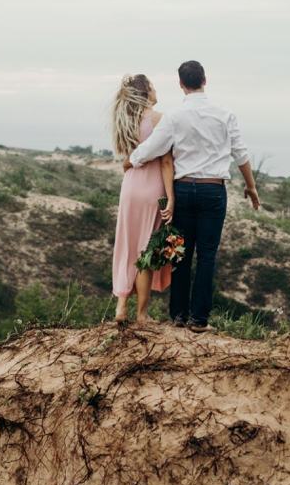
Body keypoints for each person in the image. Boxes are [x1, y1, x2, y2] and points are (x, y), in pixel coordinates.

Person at [126, 60, 260, 332]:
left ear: (180, 84)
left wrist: (131, 160)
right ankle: (199, 321)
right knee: (207, 256)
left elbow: (152, 147)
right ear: (205, 80)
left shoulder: (174, 116)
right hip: (213, 190)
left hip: (184, 189)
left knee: (180, 255)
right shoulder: (225, 114)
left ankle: (178, 317)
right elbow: (241, 154)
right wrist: (251, 186)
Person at [109, 74, 175, 324]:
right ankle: (142, 314)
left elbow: (129, 157)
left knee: (126, 247)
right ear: (146, 92)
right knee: (146, 251)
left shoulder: (126, 120)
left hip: (130, 187)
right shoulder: (160, 120)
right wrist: (171, 197)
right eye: (153, 86)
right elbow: (167, 161)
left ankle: (121, 308)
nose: (156, 90)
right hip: (152, 189)